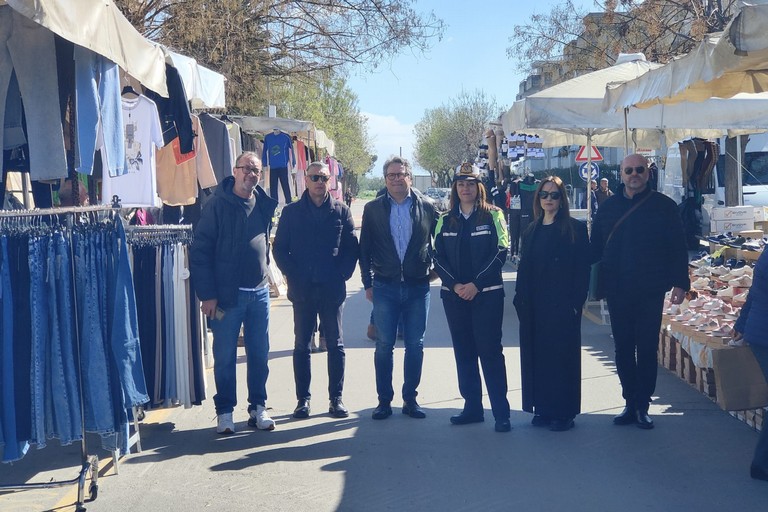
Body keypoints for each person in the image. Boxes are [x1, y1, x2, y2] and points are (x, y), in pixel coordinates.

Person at [591, 153, 689, 429]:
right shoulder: (608, 207)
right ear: (621, 174)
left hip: (650, 289)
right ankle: (629, 402)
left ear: (648, 173)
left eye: (639, 170)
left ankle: (643, 404)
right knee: (622, 348)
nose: (634, 174)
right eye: (629, 170)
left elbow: (678, 247)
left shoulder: (665, 207)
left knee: (646, 348)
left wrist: (681, 282)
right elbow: (595, 248)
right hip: (618, 289)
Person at [189, 151, 278, 435]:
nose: (251, 174)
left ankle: (258, 407)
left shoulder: (263, 205)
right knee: (225, 355)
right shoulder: (217, 205)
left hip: (259, 294)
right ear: (235, 171)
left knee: (259, 354)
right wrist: (207, 294)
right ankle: (225, 411)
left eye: (256, 171)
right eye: (247, 169)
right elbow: (200, 252)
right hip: (228, 296)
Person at [273, 162, 359, 419]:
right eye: (314, 177)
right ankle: (303, 400)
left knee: (336, 345)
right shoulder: (291, 212)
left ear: (329, 180)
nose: (319, 182)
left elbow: (351, 248)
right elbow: (279, 249)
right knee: (302, 345)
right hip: (303, 291)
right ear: (305, 181)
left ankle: (336, 399)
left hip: (332, 289)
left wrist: (342, 274)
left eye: (323, 177)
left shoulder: (341, 211)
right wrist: (293, 274)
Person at [433, 163, 511, 433]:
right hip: (454, 297)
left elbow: (501, 251)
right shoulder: (444, 219)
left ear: (479, 187)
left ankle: (501, 413)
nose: (465, 188)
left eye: (470, 183)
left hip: (487, 296)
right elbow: (436, 256)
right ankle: (472, 408)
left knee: (490, 352)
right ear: (455, 187)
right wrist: (455, 285)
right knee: (464, 353)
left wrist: (476, 285)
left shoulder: (494, 216)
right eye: (460, 184)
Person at [359, 155, 438, 420]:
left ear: (410, 177)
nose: (396, 179)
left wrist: (436, 272)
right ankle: (384, 401)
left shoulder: (427, 206)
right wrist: (367, 283)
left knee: (415, 345)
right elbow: (364, 249)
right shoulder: (373, 209)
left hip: (418, 287)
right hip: (385, 286)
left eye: (401, 174)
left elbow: (443, 241)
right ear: (385, 179)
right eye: (391, 175)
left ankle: (410, 400)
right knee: (384, 345)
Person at [514, 176, 590, 431]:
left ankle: (564, 412)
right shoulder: (531, 230)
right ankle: (543, 408)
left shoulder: (574, 229)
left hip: (563, 304)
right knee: (539, 357)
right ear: (538, 198)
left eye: (554, 195)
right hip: (535, 305)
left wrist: (576, 303)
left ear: (562, 199)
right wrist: (520, 299)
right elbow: (525, 268)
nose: (548, 199)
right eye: (544, 195)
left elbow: (582, 269)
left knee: (561, 358)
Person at [731, 249, 768, 482]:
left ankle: (762, 463)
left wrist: (742, 323)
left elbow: (755, 291)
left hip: (759, 331)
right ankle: (762, 463)